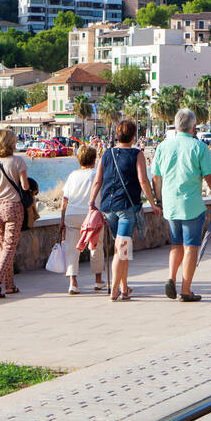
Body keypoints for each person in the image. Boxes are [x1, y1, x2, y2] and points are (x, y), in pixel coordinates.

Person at [152, 108, 211, 303]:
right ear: (193, 127)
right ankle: (186, 290)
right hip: (191, 204)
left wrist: (159, 199)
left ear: (175, 126)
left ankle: (171, 277)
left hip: (170, 204)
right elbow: (210, 176)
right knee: (191, 247)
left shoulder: (163, 147)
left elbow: (156, 177)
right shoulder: (198, 147)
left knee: (176, 244)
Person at [90, 118, 159, 301]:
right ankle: (114, 289)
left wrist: (92, 202)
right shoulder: (137, 154)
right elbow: (143, 181)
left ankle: (124, 286)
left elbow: (98, 180)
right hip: (127, 207)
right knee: (122, 246)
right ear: (134, 136)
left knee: (122, 246)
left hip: (108, 207)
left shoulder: (106, 154)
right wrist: (152, 203)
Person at [0, 129, 29, 298]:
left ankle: (9, 285)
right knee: (9, 247)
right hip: (13, 206)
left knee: (3, 247)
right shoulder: (18, 161)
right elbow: (24, 187)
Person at [60, 144, 106, 294]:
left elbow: (65, 199)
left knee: (72, 249)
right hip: (91, 215)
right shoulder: (96, 174)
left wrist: (62, 220)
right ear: (94, 159)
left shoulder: (73, 175)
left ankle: (73, 283)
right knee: (96, 246)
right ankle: (98, 280)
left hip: (72, 215)